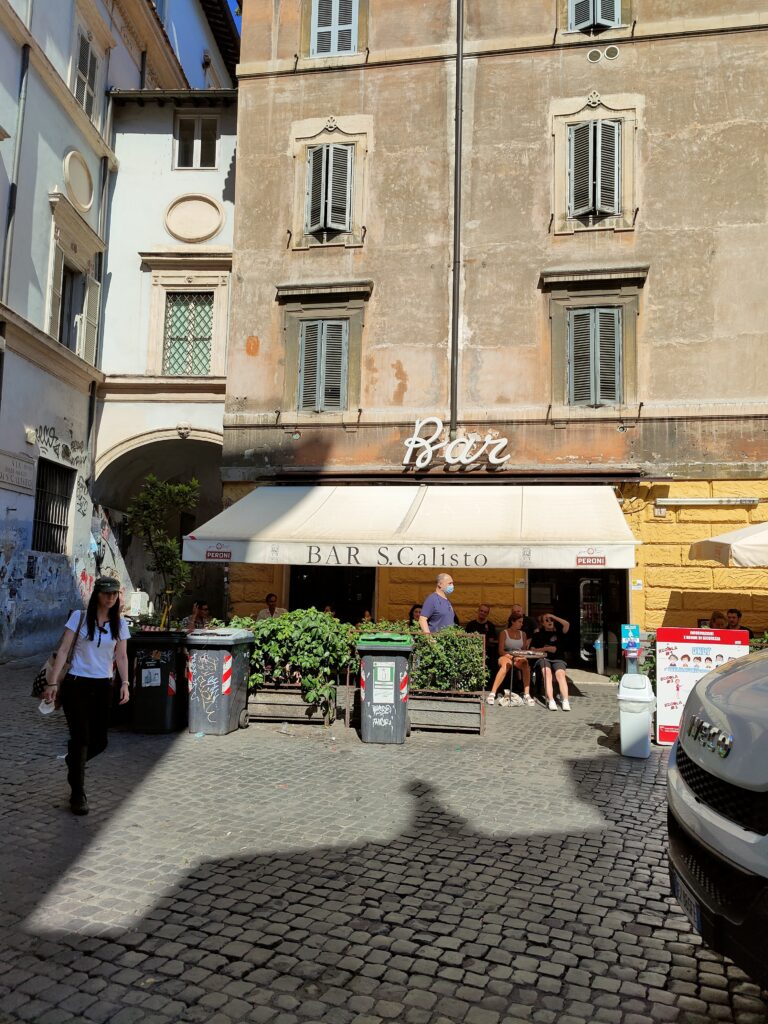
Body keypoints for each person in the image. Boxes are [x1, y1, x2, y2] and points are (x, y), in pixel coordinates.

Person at [42, 576, 130, 815]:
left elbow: (121, 656)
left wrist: (125, 683)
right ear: (97, 595)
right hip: (76, 684)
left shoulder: (120, 624)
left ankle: (73, 761)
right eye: (106, 593)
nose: (110, 598)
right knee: (80, 738)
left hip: (103, 686)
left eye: (114, 594)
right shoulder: (79, 617)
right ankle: (77, 794)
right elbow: (63, 650)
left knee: (100, 741)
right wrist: (53, 682)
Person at [487, 612, 535, 707]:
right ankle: (492, 693)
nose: (522, 624)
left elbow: (524, 650)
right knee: (506, 665)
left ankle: (526, 694)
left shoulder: (523, 634)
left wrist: (523, 655)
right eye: (519, 622)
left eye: (522, 622)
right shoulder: (504, 633)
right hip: (506, 655)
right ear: (513, 621)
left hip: (518, 656)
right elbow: (501, 650)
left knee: (526, 664)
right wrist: (511, 656)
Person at [529, 612, 571, 711]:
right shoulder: (538, 634)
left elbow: (567, 624)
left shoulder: (559, 632)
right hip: (543, 658)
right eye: (546, 620)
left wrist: (553, 616)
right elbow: (532, 649)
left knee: (560, 675)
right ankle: (551, 700)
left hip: (558, 658)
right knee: (547, 673)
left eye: (551, 620)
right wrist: (546, 649)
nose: (549, 621)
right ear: (542, 623)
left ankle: (565, 700)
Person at [465, 603, 497, 675]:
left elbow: (492, 642)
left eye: (485, 612)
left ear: (487, 614)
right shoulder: (470, 625)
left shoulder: (491, 626)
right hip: (473, 652)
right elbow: (466, 639)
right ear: (478, 611)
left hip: (487, 653)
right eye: (481, 611)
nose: (482, 613)